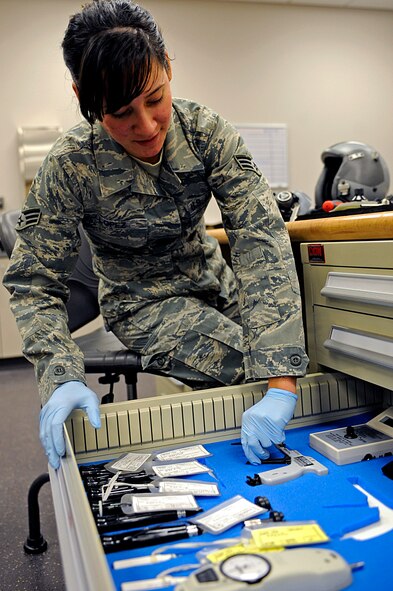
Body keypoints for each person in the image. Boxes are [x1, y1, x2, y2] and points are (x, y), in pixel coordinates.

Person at [3, 0, 308, 470]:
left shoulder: (206, 133)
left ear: (168, 68)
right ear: (84, 96)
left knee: (294, 365)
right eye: (121, 111)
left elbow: (260, 237)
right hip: (140, 302)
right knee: (249, 370)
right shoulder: (71, 164)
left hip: (212, 282)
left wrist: (284, 379)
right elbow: (34, 281)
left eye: (154, 98)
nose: (146, 126)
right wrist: (59, 373)